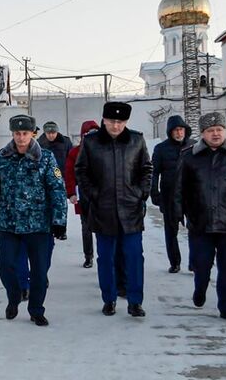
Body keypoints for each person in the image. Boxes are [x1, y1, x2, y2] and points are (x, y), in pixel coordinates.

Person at [0, 114, 68, 326]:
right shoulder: (2, 157)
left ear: (32, 134)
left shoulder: (45, 158)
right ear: (12, 134)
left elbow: (57, 188)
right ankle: (14, 295)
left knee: (39, 270)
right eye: (17, 134)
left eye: (25, 133)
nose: (21, 138)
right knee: (5, 264)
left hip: (38, 224)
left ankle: (36, 309)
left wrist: (59, 220)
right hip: (9, 223)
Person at [173, 112, 226, 324]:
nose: (215, 134)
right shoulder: (189, 156)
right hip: (200, 221)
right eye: (210, 130)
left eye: (219, 130)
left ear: (225, 132)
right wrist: (178, 213)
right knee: (201, 264)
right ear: (203, 133)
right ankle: (200, 287)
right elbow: (179, 188)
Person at [75, 102, 152, 317]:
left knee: (135, 257)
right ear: (104, 120)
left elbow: (146, 168)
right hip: (103, 209)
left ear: (126, 122)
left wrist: (141, 193)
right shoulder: (91, 142)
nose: (116, 126)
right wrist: (93, 194)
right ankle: (108, 299)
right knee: (106, 258)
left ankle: (135, 301)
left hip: (131, 209)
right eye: (112, 121)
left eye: (120, 122)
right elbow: (81, 170)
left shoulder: (136, 140)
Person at [150, 115, 196, 273]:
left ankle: (194, 262)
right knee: (171, 231)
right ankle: (175, 262)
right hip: (169, 195)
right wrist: (154, 193)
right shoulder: (161, 149)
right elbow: (154, 172)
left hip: (191, 195)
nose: (179, 133)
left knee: (195, 230)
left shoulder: (194, 146)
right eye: (176, 130)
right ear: (170, 132)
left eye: (181, 129)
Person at [65, 120, 100, 268]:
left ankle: (104, 257)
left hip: (101, 196)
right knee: (86, 227)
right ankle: (89, 256)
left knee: (103, 228)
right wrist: (71, 192)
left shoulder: (104, 150)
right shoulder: (74, 152)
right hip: (83, 195)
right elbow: (68, 174)